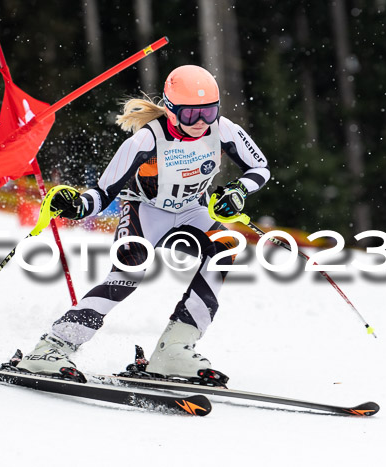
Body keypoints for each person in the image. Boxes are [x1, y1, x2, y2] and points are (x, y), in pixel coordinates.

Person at [16, 65, 271, 380]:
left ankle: (175, 349)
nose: (202, 123)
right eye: (191, 115)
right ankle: (52, 348)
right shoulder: (145, 141)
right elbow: (102, 193)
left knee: (225, 249)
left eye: (209, 112)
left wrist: (238, 191)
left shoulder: (223, 129)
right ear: (170, 110)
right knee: (128, 273)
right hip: (145, 211)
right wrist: (76, 206)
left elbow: (259, 167)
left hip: (192, 211)